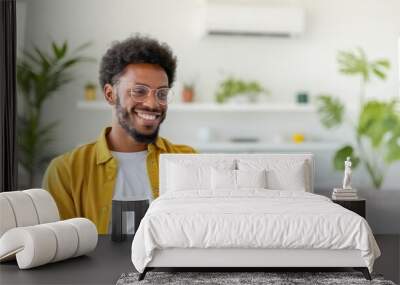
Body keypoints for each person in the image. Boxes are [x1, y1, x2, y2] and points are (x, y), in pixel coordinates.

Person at [43, 35, 196, 234]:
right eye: (139, 91)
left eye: (162, 93)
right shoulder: (66, 172)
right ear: (110, 94)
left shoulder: (188, 161)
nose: (153, 103)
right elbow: (59, 250)